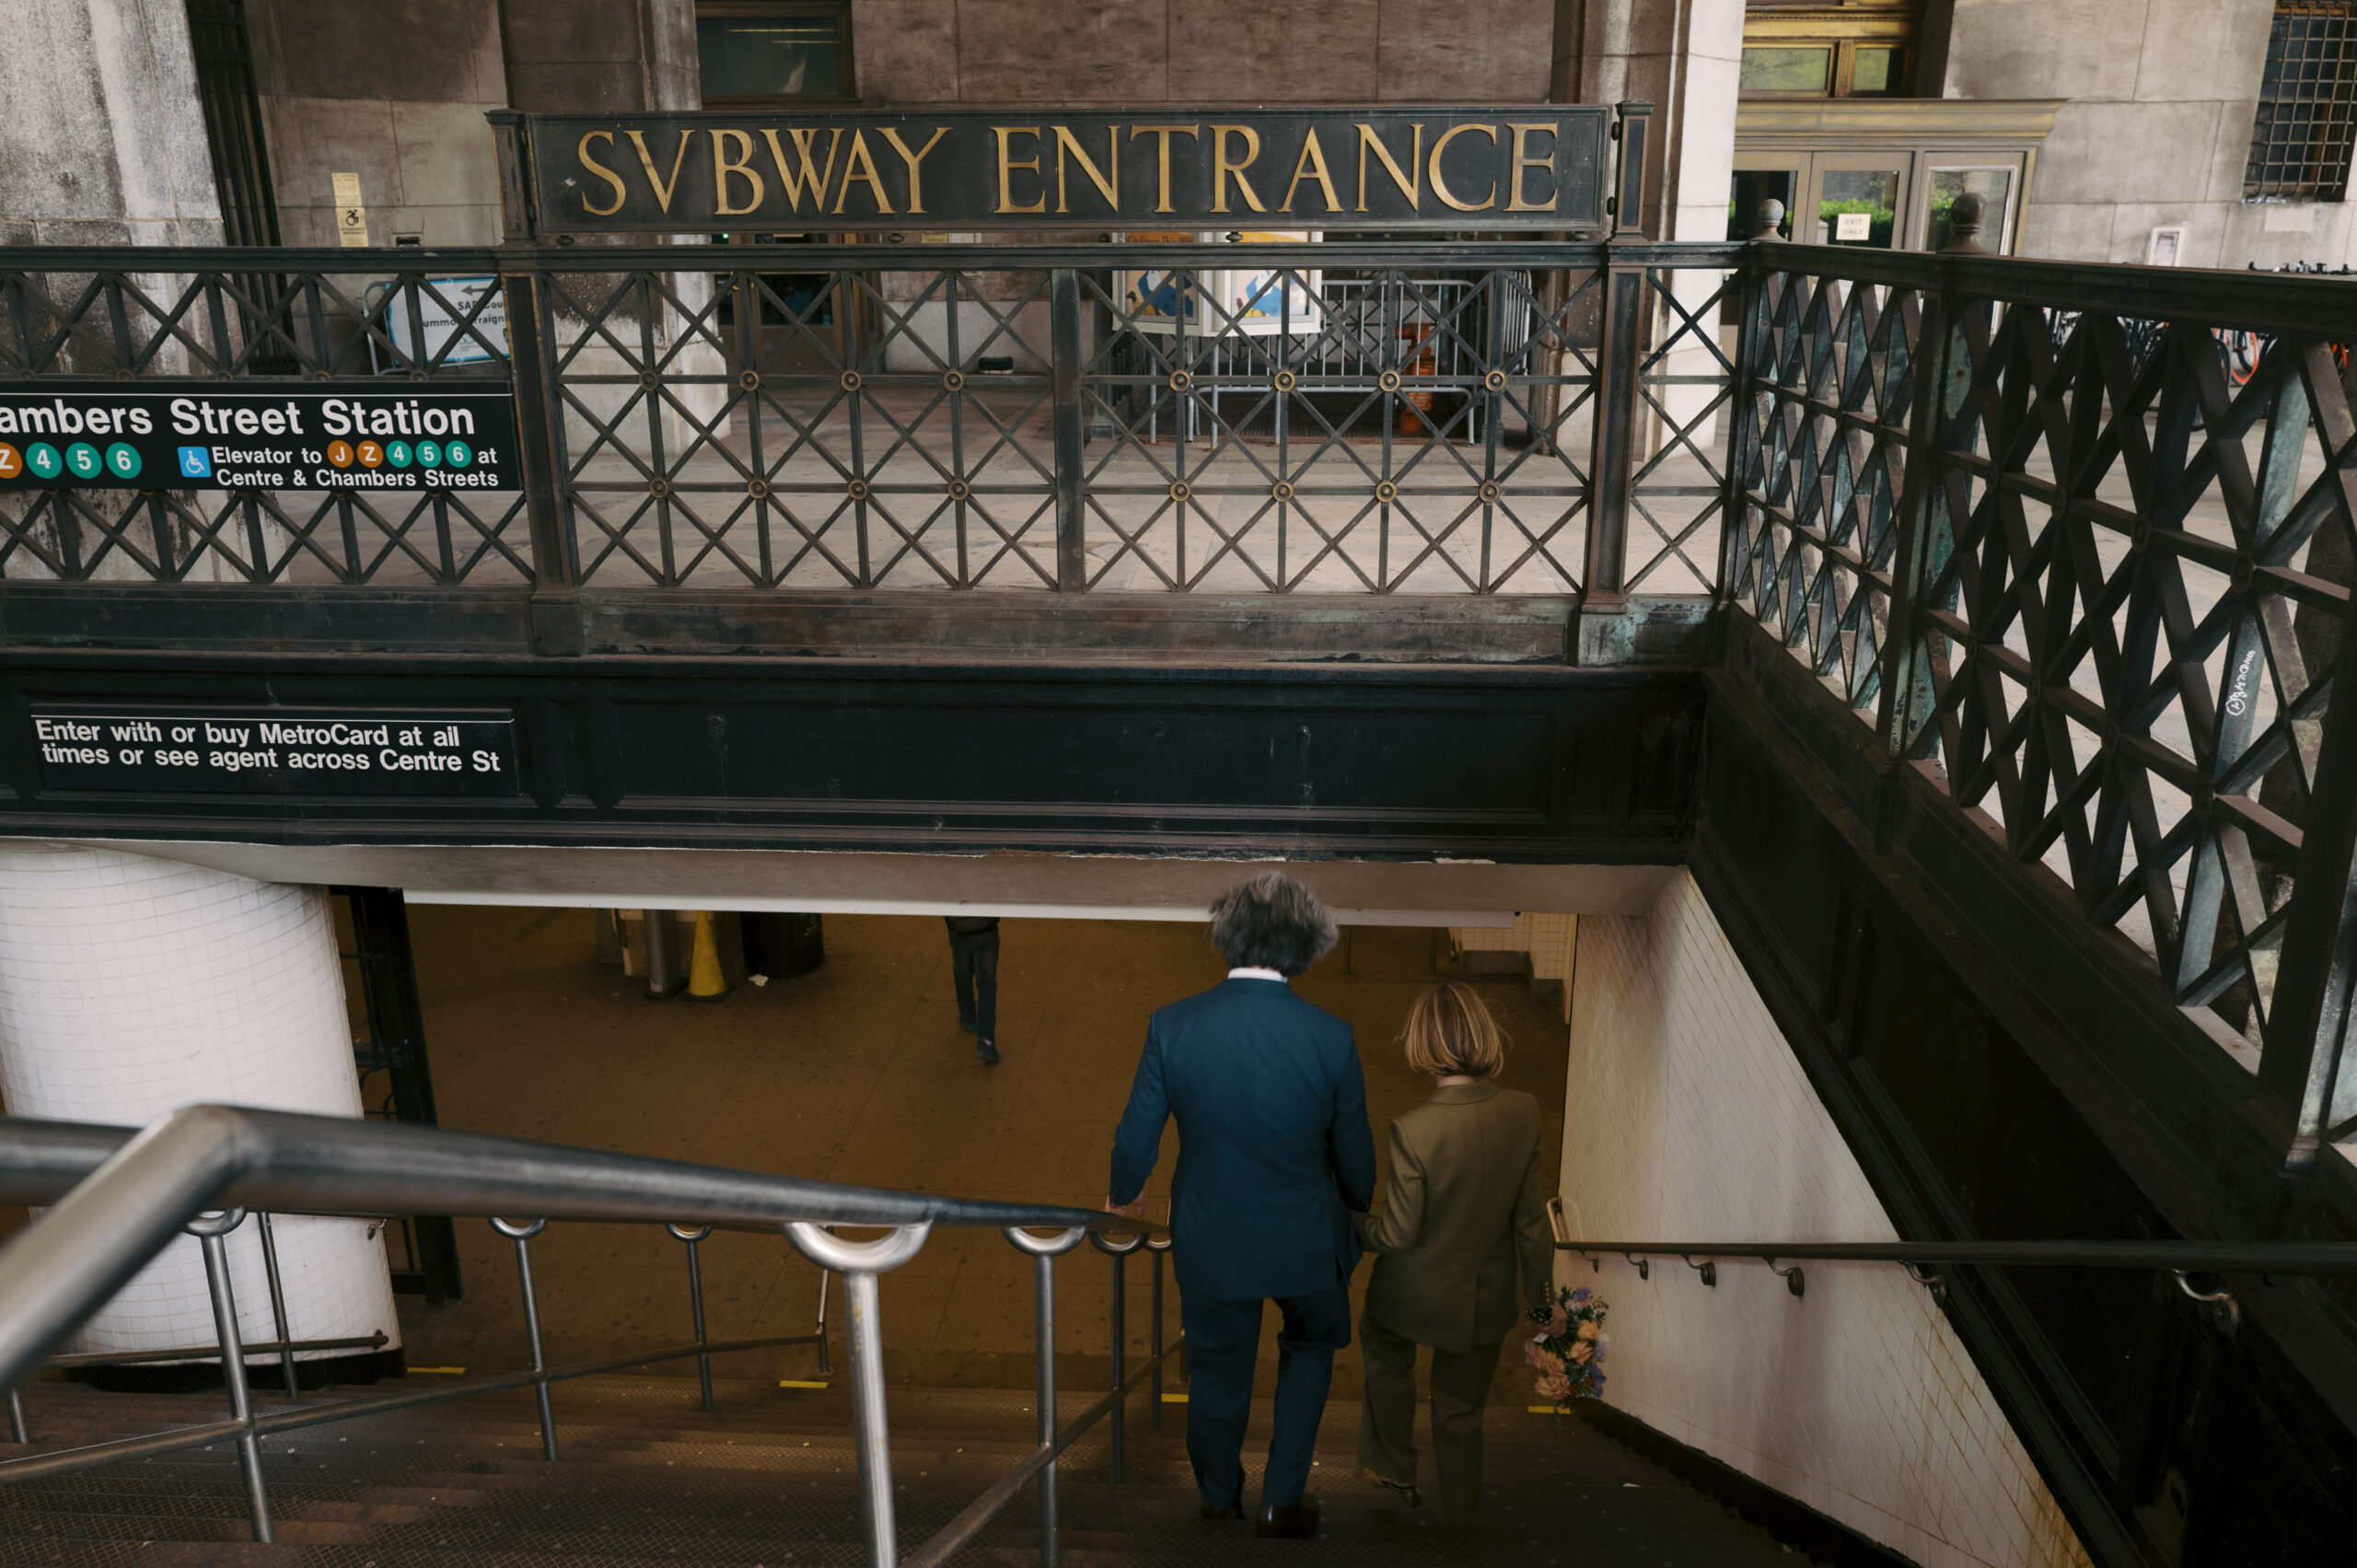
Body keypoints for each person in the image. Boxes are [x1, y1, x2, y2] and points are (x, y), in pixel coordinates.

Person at [1106, 873, 1375, 1539]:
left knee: (1218, 1373)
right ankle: (1283, 1500)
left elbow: (1135, 1136)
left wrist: (1123, 1196)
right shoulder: (1332, 1036)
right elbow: (1356, 1156)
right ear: (1307, 944)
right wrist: (1358, 1207)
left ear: (1225, 938)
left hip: (1212, 1238)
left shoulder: (1173, 1026)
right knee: (1312, 1345)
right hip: (1307, 1240)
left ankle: (1218, 1496)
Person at [1353, 981, 1556, 1527]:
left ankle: (1394, 1465)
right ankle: (1462, 1515)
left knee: (1384, 1348)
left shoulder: (1415, 1130)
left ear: (1422, 1045)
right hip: (1480, 1302)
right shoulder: (1524, 1111)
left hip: (1409, 1295)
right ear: (1484, 1035)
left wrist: (1346, 1222)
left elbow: (1394, 1234)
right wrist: (1541, 1310)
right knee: (1461, 1408)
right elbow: (1532, 1225)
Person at [942, 914, 1000, 1063]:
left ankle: (967, 1017)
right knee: (987, 985)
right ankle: (986, 1043)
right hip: (986, 933)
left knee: (962, 973)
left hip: (958, 933)